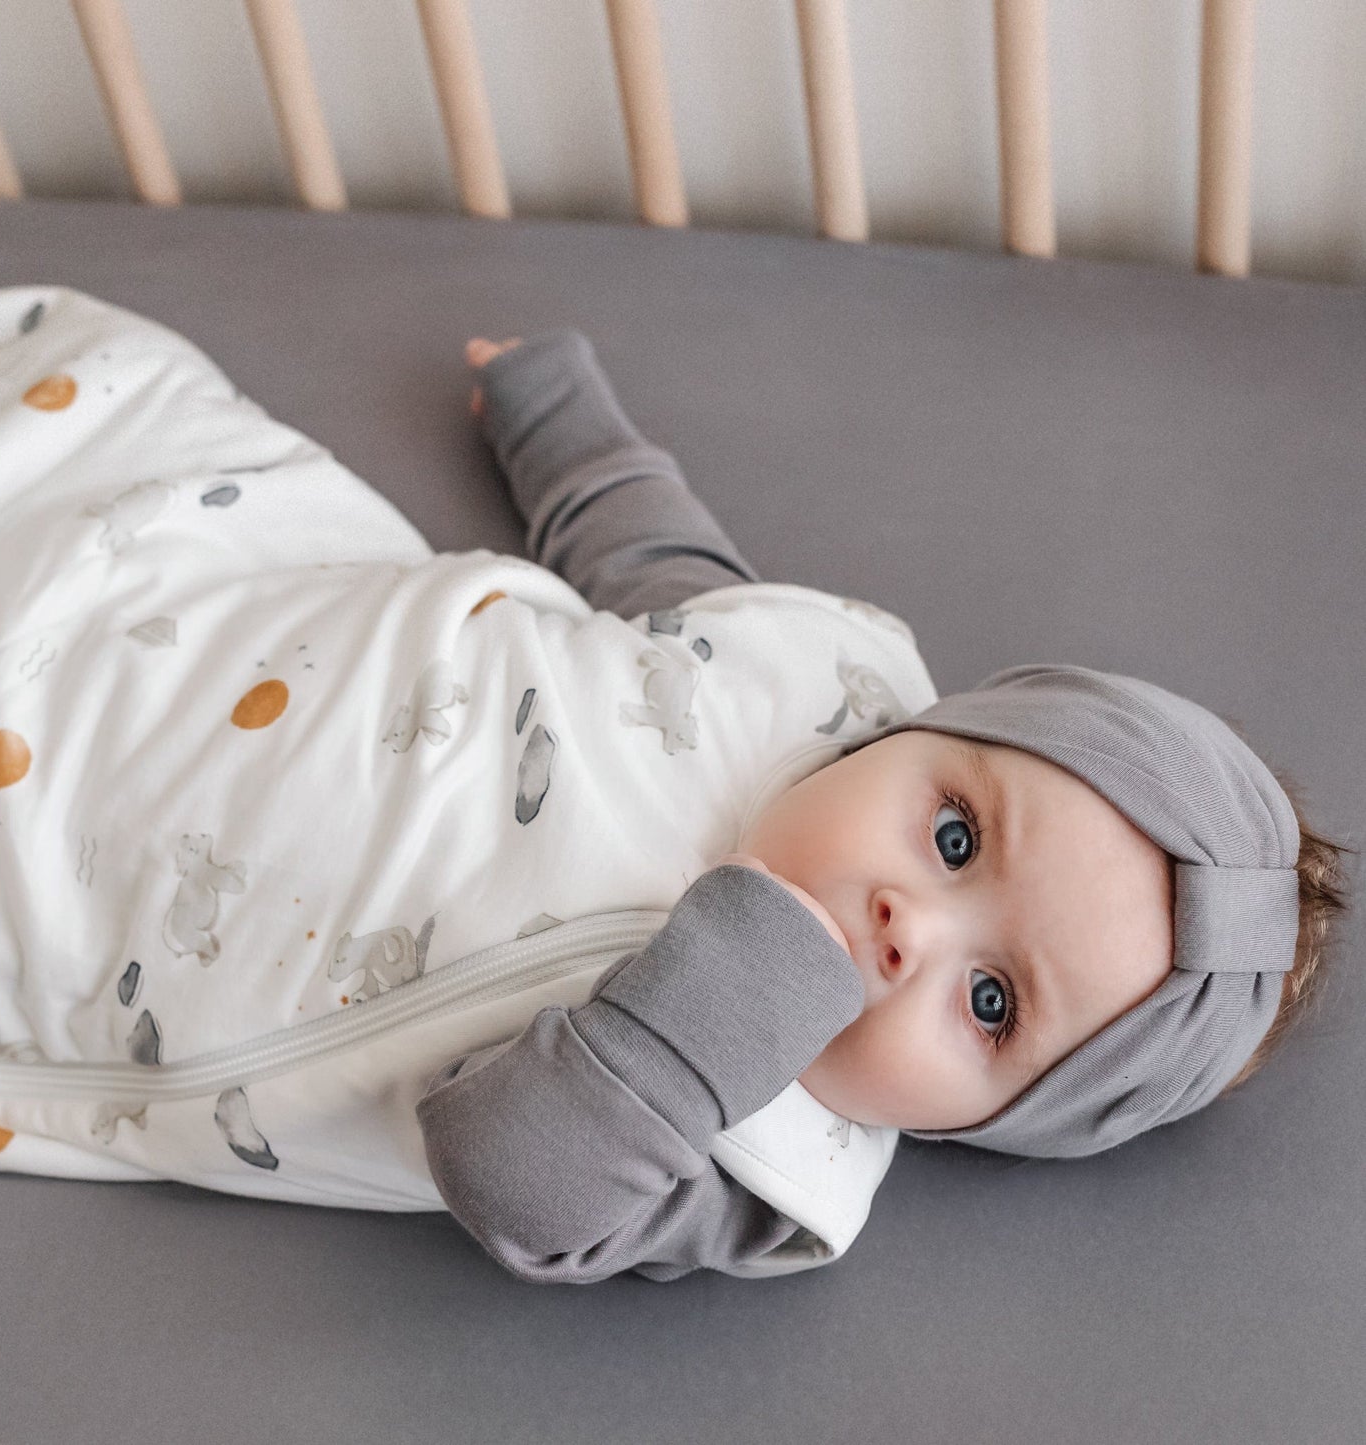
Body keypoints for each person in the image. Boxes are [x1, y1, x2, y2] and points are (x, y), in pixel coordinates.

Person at [413, 329, 1354, 1283]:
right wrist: (553, 414)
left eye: (991, 1003)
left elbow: (511, 1186)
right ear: (917, 732)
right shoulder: (794, 684)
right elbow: (649, 551)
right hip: (342, 654)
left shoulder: (768, 1166)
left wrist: (712, 1024)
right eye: (954, 838)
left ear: (985, 1126)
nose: (907, 930)